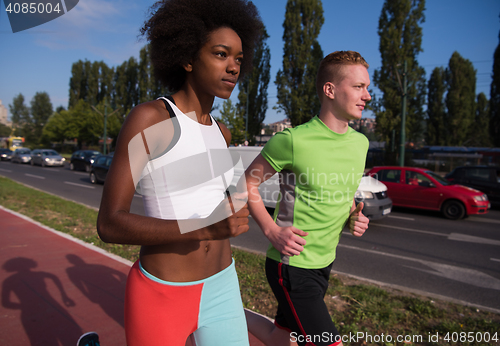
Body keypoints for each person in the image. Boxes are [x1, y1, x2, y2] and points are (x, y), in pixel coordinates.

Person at [95, 1, 263, 345]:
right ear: (187, 58)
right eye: (220, 54)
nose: (233, 67)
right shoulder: (152, 120)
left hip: (222, 286)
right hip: (162, 294)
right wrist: (205, 228)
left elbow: (210, 202)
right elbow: (109, 223)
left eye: (238, 60)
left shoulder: (223, 131)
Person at [243, 51, 372, 346]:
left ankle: (214, 312)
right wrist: (271, 230)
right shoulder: (291, 140)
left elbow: (343, 194)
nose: (366, 95)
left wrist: (354, 215)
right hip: (292, 266)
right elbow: (245, 184)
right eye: (358, 87)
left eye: (367, 87)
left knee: (281, 337)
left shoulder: (360, 143)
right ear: (330, 89)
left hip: (325, 262)